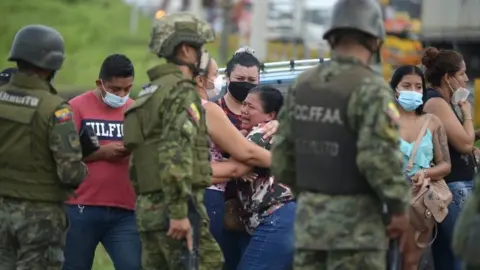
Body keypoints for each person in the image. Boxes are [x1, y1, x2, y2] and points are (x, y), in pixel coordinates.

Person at [271, 0, 411, 269]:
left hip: (309, 227)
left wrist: (313, 198)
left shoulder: (304, 84)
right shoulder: (370, 88)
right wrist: (398, 208)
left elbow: (281, 159)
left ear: (332, 36)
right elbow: (378, 161)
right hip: (356, 235)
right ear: (374, 39)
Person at [122, 12, 256, 270]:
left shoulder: (149, 93)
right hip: (177, 209)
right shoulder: (181, 95)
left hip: (149, 208)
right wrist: (179, 214)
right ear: (185, 49)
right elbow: (175, 157)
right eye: (200, 48)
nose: (202, 55)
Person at [0, 24, 87, 269]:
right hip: (39, 216)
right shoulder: (54, 108)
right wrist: (83, 167)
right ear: (52, 65)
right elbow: (69, 172)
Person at [62, 54, 140, 270]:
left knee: (133, 265)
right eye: (116, 90)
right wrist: (101, 153)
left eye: (127, 89)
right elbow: (62, 154)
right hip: (81, 207)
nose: (122, 95)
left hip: (125, 209)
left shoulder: (135, 110)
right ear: (100, 84)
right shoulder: (76, 107)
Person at [192, 56, 272, 261]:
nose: (216, 80)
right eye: (214, 75)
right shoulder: (209, 110)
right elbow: (246, 154)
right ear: (200, 80)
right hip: (208, 200)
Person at [216, 85, 296, 269]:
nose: (243, 110)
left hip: (276, 218)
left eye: (251, 107)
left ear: (270, 115)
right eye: (243, 104)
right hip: (282, 218)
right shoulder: (269, 133)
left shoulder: (261, 134)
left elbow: (234, 168)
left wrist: (186, 171)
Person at [390, 65, 452, 270]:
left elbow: (445, 165)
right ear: (395, 88)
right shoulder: (383, 122)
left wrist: (424, 172)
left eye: (418, 87)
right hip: (386, 200)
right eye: (406, 85)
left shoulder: (432, 122)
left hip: (419, 202)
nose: (413, 91)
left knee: (411, 262)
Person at [421, 47, 476, 270]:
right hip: (454, 186)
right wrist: (467, 113)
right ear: (448, 77)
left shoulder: (441, 101)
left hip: (454, 185)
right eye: (462, 74)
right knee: (464, 253)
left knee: (447, 254)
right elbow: (464, 144)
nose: (466, 79)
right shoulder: (436, 102)